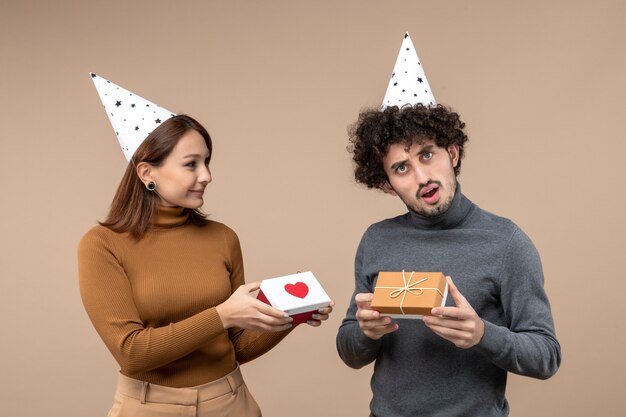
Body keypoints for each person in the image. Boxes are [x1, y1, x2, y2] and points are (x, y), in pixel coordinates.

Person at [79, 74, 333, 417]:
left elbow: (236, 346)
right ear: (146, 173)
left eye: (207, 162)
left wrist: (289, 313)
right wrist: (222, 314)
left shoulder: (222, 238)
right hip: (148, 407)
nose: (207, 176)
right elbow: (131, 352)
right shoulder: (102, 245)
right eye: (191, 165)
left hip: (231, 402)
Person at [335, 34, 560, 417]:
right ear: (387, 183)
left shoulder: (505, 242)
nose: (422, 177)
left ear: (452, 153)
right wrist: (364, 334)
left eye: (427, 154)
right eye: (402, 168)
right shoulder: (377, 240)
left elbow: (546, 355)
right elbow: (349, 350)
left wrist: (483, 335)